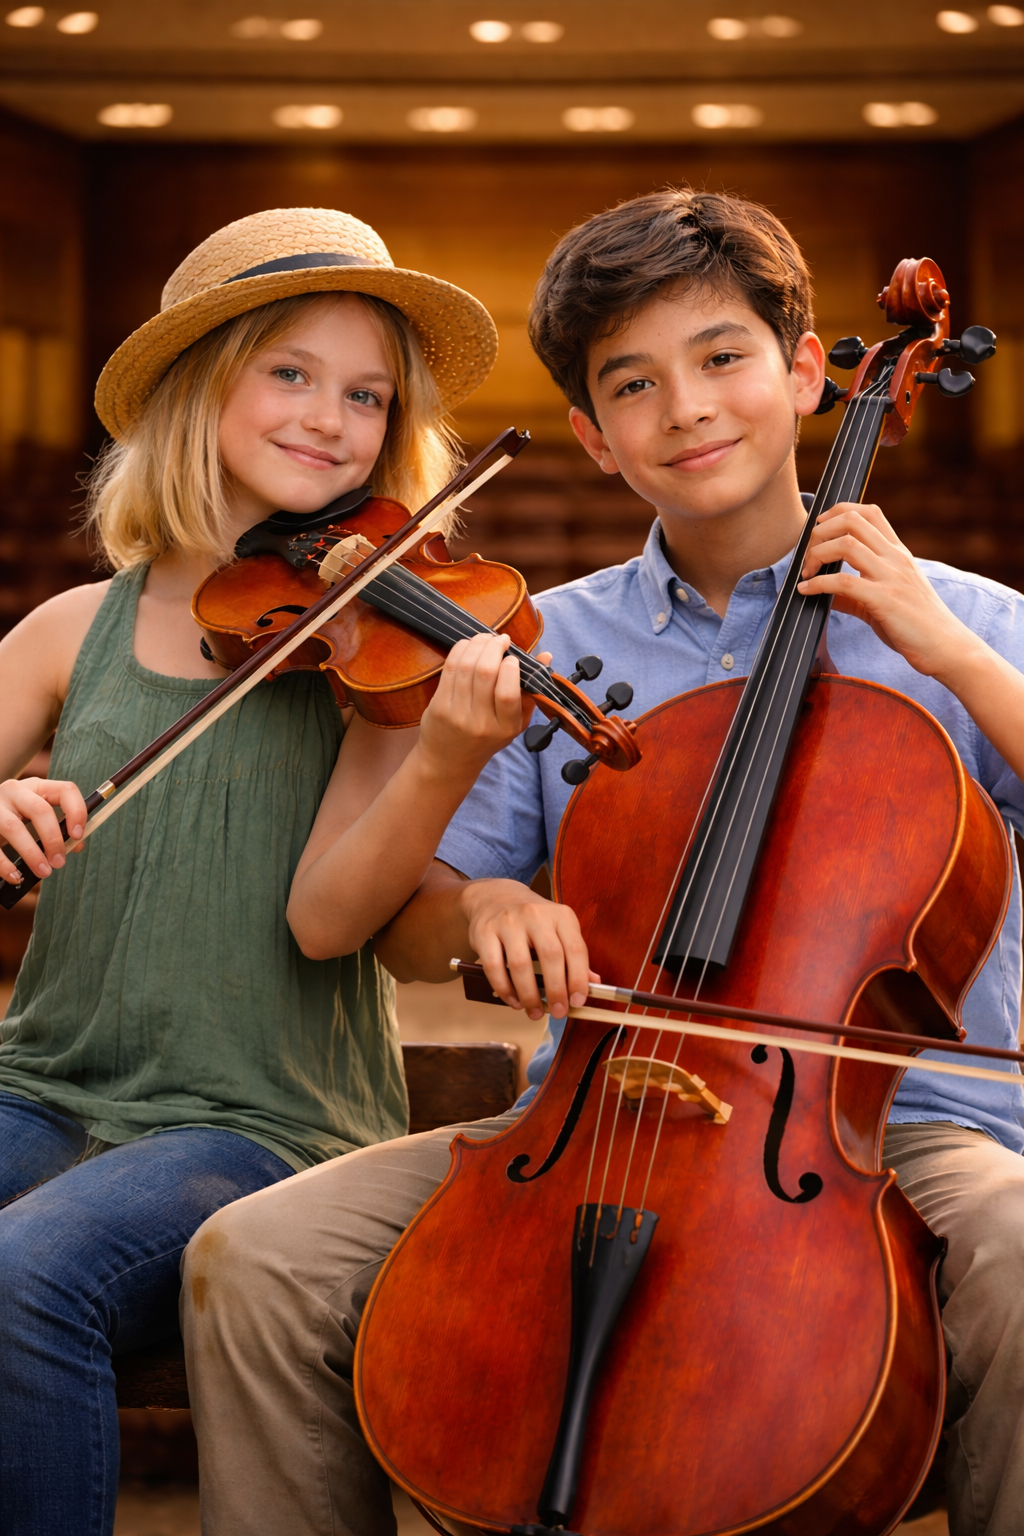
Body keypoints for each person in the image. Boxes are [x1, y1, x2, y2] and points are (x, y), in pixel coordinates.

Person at [182, 188, 1024, 1536]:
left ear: (808, 373)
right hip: (583, 1118)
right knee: (258, 1259)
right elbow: (412, 926)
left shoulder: (971, 626)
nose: (686, 408)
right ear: (592, 435)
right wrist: (495, 905)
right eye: (633, 385)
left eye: (723, 359)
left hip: (905, 1135)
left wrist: (953, 658)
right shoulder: (545, 646)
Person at [0, 205, 533, 1536]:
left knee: (24, 1279)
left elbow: (322, 922)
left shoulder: (372, 656)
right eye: (289, 373)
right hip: (49, 1081)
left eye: (366, 395)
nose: (329, 417)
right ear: (199, 390)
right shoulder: (79, 625)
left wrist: (441, 757)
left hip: (254, 1125)